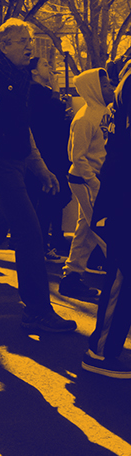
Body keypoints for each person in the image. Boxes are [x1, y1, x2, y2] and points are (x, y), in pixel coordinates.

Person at [0, 20, 77, 333]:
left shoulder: (19, 80)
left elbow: (23, 130)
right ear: (2, 46)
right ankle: (38, 310)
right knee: (30, 236)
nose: (29, 45)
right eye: (20, 40)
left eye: (29, 39)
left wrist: (39, 167)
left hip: (15, 166)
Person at [84, 69, 130, 377]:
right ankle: (101, 351)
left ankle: (106, 346)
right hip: (122, 200)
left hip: (118, 196)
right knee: (122, 277)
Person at [60, 67, 114, 301]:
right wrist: (94, 183)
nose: (111, 88)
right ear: (92, 88)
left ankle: (71, 278)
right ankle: (121, 276)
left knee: (86, 230)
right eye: (105, 85)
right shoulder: (83, 119)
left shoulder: (106, 112)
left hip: (97, 180)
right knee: (103, 229)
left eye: (110, 84)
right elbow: (76, 156)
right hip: (85, 180)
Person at [30, 56, 74, 255]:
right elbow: (48, 117)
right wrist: (56, 90)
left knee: (55, 196)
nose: (51, 68)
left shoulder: (43, 92)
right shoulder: (34, 91)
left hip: (51, 152)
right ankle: (44, 243)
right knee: (49, 197)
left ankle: (54, 237)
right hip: (44, 153)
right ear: (34, 72)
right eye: (45, 64)